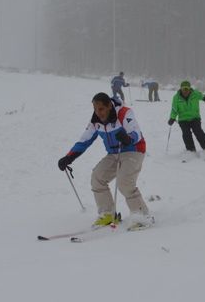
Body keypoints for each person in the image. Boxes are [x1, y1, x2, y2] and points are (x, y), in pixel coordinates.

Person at [58, 92, 153, 230]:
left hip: (134, 150)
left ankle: (142, 215)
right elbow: (84, 140)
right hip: (114, 154)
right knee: (97, 177)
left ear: (109, 106)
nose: (98, 112)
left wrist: (127, 138)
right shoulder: (95, 122)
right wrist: (69, 157)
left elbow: (136, 132)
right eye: (95, 109)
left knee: (124, 182)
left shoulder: (124, 113)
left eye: (101, 109)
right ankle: (108, 214)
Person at [168, 80, 205, 153]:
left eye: (187, 89)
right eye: (183, 89)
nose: (185, 91)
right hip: (183, 119)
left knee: (198, 131)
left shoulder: (195, 94)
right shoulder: (176, 98)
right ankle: (191, 150)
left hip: (195, 118)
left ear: (189, 89)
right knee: (186, 134)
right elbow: (174, 110)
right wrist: (172, 118)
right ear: (181, 89)